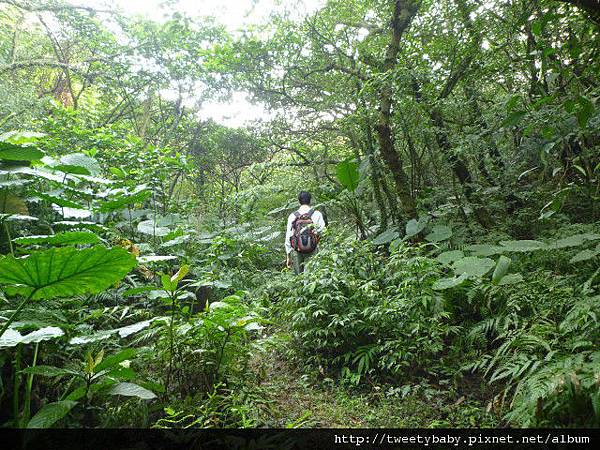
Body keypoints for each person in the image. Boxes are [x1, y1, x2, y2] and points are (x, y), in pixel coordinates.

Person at [285, 191, 326, 274]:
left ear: (299, 201)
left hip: (297, 250)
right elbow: (323, 231)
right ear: (310, 200)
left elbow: (288, 237)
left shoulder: (292, 216)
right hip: (313, 249)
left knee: (299, 277)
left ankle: (301, 286)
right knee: (312, 275)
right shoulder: (317, 214)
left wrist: (288, 256)